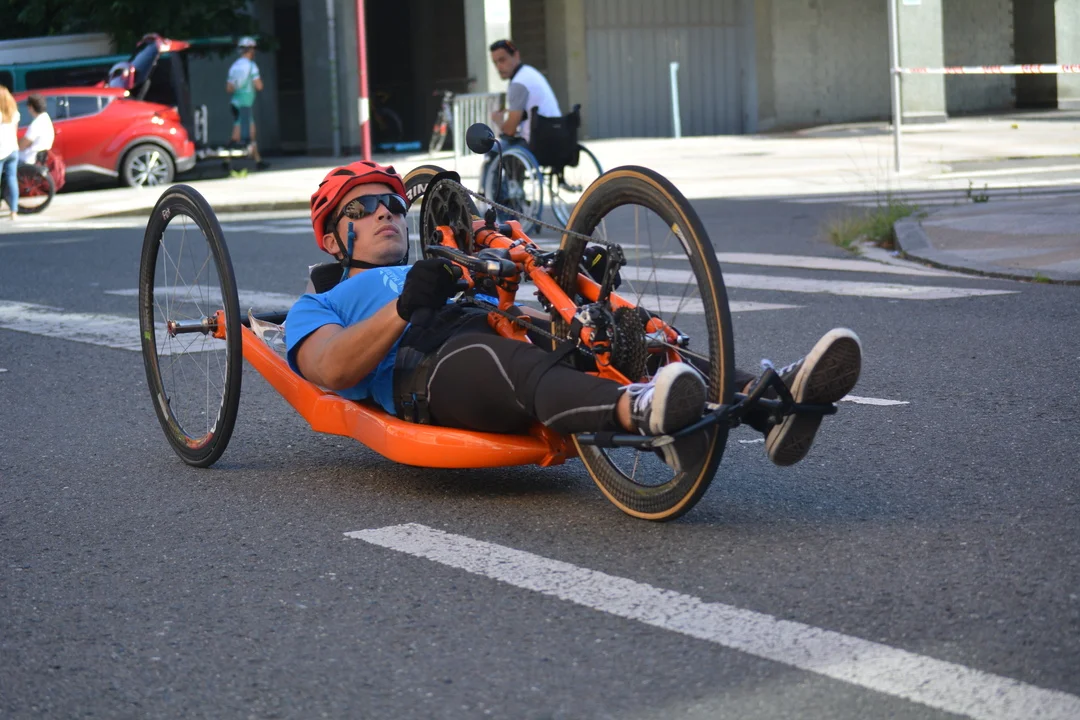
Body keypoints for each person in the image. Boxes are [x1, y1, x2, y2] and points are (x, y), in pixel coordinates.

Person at [285, 161, 863, 472]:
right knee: (503, 359)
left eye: (391, 202)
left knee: (628, 337)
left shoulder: (438, 264)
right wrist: (404, 306)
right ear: (333, 239)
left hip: (491, 324)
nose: (385, 212)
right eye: (362, 207)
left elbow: (518, 300)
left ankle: (772, 401)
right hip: (431, 366)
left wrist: (568, 285)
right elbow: (330, 368)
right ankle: (642, 410)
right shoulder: (320, 304)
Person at [487, 39, 561, 145]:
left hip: (538, 144)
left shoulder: (519, 83)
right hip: (556, 136)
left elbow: (509, 131)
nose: (498, 67)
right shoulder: (529, 72)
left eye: (502, 60)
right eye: (495, 62)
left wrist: (499, 121)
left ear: (516, 56)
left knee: (493, 149)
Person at [225, 36, 268, 171]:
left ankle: (258, 160)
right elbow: (259, 85)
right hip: (245, 104)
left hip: (236, 103)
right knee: (240, 135)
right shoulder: (251, 66)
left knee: (248, 134)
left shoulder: (234, 67)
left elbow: (229, 88)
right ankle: (226, 160)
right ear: (250, 50)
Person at [0, 87, 20, 221]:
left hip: (1, 151)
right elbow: (15, 131)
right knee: (12, 179)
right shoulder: (14, 113)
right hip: (13, 149)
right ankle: (14, 211)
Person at [17, 94, 54, 165]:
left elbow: (22, 145)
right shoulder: (46, 118)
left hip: (29, 160)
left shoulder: (36, 124)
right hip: (40, 159)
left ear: (31, 107)